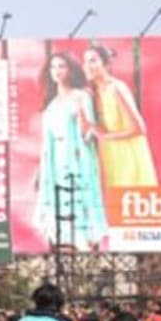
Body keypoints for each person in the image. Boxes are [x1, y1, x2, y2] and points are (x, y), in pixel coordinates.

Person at [36, 52, 107, 250]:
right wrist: (40, 172)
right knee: (57, 208)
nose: (57, 71)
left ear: (70, 69)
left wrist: (82, 117)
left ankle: (85, 243)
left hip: (77, 159)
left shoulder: (81, 97)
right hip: (54, 163)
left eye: (61, 66)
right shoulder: (50, 105)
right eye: (53, 67)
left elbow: (89, 133)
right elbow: (46, 144)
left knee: (79, 204)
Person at [84, 45, 158, 189]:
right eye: (85, 61)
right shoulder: (95, 92)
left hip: (128, 157)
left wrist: (104, 137)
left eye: (93, 61)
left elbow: (139, 128)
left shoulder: (117, 87)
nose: (87, 66)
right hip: (110, 158)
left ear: (106, 64)